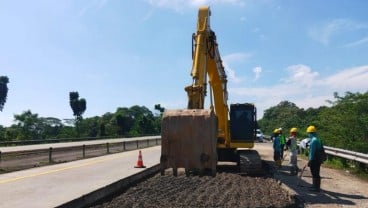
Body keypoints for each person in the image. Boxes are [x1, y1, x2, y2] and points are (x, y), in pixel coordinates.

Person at [307, 125, 323, 192]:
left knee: (314, 173)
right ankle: (316, 186)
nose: (308, 134)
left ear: (311, 133)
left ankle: (315, 188)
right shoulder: (318, 139)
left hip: (314, 159)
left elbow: (312, 152)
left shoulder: (313, 141)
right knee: (316, 173)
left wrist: (310, 160)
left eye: (308, 133)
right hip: (318, 159)